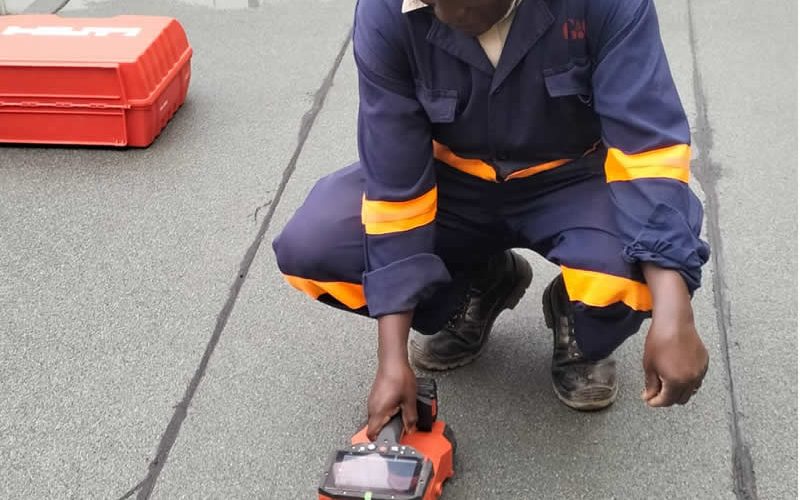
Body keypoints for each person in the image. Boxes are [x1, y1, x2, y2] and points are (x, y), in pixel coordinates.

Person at [273, 0, 711, 440]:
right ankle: (479, 284)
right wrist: (391, 360)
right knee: (314, 246)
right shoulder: (386, 12)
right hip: (452, 183)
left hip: (574, 179)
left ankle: (576, 314)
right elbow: (396, 185)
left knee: (641, 273)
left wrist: (675, 311)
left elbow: (648, 152)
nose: (452, 14)